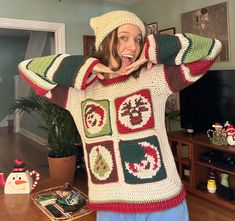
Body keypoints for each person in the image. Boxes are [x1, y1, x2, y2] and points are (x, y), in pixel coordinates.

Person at [18, 10, 221, 221]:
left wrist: (153, 49)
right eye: (123, 37)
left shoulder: (155, 77)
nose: (133, 46)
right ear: (105, 42)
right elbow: (28, 69)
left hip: (162, 201)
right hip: (111, 207)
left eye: (138, 39)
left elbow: (211, 49)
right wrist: (87, 66)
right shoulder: (80, 92)